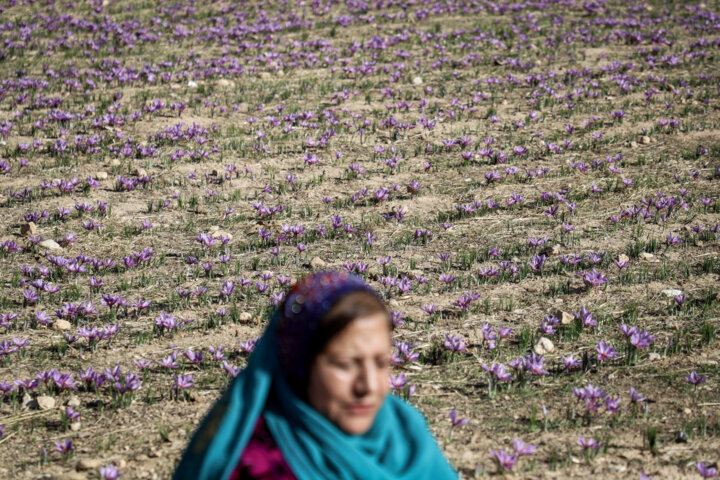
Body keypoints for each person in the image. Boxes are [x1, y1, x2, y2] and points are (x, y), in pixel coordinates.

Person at [174, 270, 457, 480]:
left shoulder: (405, 434)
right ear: (300, 365)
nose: (368, 386)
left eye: (382, 363)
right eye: (346, 365)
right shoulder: (257, 463)